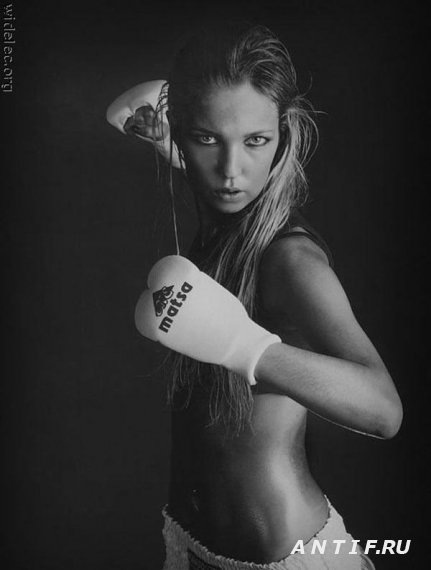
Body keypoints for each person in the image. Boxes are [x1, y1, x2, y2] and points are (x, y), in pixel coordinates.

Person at [106, 22, 402, 570]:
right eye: (207, 139)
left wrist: (244, 346)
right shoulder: (226, 219)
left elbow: (384, 411)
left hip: (288, 559)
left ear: (282, 137)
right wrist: (172, 137)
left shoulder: (290, 261)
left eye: (255, 141)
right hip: (188, 545)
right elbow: (218, 175)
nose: (230, 170)